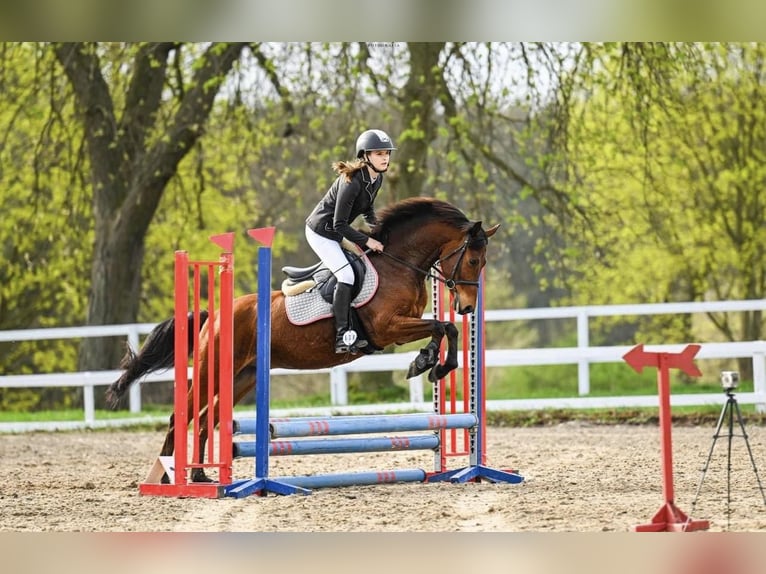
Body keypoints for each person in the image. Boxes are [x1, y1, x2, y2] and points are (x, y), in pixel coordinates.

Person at [305, 128, 395, 353]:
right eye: (379, 154)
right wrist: (368, 241)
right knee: (346, 274)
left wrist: (377, 229)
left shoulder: (377, 178)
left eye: (387, 153)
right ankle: (342, 334)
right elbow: (339, 225)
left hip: (336, 232)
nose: (385, 158)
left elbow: (368, 208)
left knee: (365, 266)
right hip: (320, 232)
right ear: (365, 156)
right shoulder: (351, 182)